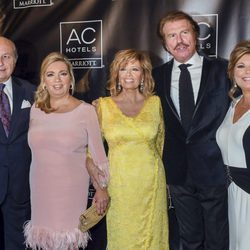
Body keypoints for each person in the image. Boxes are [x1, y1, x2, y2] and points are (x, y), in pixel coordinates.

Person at [152, 10, 231, 250]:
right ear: (165, 43)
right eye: (172, 35)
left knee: (218, 241)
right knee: (189, 240)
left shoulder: (223, 70)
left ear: (195, 36)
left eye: (184, 32)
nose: (180, 41)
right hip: (178, 172)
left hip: (215, 169)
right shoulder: (157, 77)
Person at [23, 52, 110, 250]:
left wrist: (101, 187)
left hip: (71, 189)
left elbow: (98, 154)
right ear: (43, 80)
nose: (57, 80)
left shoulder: (86, 111)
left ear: (70, 78)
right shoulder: (35, 109)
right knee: (45, 241)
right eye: (50, 74)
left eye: (62, 74)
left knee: (68, 241)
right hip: (40, 190)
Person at [88, 49, 169, 249]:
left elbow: (160, 145)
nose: (129, 74)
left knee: (153, 238)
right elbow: (91, 155)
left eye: (135, 69)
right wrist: (100, 187)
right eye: (123, 69)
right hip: (119, 186)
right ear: (116, 74)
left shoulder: (154, 103)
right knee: (122, 237)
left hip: (152, 184)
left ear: (144, 74)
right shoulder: (103, 106)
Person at [0, 36, 35, 250]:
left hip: (20, 186)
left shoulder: (32, 92)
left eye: (6, 56)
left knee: (17, 244)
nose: (0, 63)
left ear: (15, 59)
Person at [216, 40, 250, 250]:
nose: (247, 71)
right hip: (232, 191)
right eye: (241, 65)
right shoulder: (234, 103)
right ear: (233, 72)